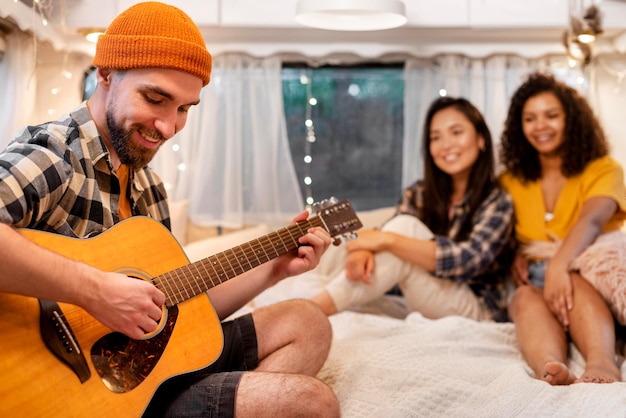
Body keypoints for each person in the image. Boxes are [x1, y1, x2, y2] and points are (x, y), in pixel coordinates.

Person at [0, 2, 339, 417]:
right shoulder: (55, 154)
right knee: (312, 403)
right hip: (69, 390)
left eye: (183, 109)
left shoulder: (150, 189)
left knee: (308, 322)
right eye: (155, 98)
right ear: (106, 74)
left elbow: (174, 310)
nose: (168, 127)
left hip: (146, 375)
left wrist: (275, 268)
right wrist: (96, 291)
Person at [311, 97, 515, 322]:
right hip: (422, 294)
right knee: (401, 229)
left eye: (456, 132)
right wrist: (363, 250)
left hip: (475, 307)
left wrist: (387, 240)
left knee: (403, 230)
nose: (446, 144)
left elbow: (467, 261)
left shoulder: (498, 200)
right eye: (435, 137)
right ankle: (313, 308)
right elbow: (386, 232)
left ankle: (311, 310)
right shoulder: (419, 192)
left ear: (480, 139)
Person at [499, 72, 626, 385]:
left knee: (572, 281)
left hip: (582, 275)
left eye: (551, 115)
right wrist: (517, 252)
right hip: (533, 280)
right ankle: (551, 366)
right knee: (523, 298)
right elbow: (502, 231)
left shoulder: (603, 168)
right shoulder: (509, 180)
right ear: (520, 126)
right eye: (530, 118)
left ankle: (602, 363)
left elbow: (592, 220)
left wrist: (559, 264)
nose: (540, 126)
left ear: (572, 120)